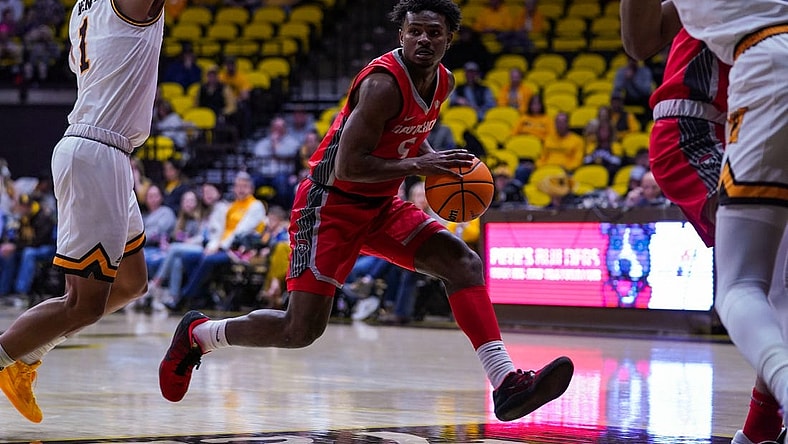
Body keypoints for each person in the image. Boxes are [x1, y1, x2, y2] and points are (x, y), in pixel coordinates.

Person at [159, 0, 574, 423]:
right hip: (330, 205)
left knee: (463, 263)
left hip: (380, 203)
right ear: (401, 35)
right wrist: (418, 166)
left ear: (450, 39)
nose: (423, 39)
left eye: (434, 32)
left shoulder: (442, 81)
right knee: (299, 331)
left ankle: (505, 382)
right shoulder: (382, 85)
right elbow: (349, 164)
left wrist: (435, 162)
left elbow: (407, 137)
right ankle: (199, 334)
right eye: (415, 31)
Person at [622, 1, 788, 442]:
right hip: (696, 126)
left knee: (771, 287)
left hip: (752, 110)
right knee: (765, 282)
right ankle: (761, 428)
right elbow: (638, 43)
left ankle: (760, 430)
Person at [0, 0, 163, 423]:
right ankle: (9, 356)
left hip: (108, 151)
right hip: (97, 150)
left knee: (131, 283)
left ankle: (27, 353)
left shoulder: (80, 9)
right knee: (84, 304)